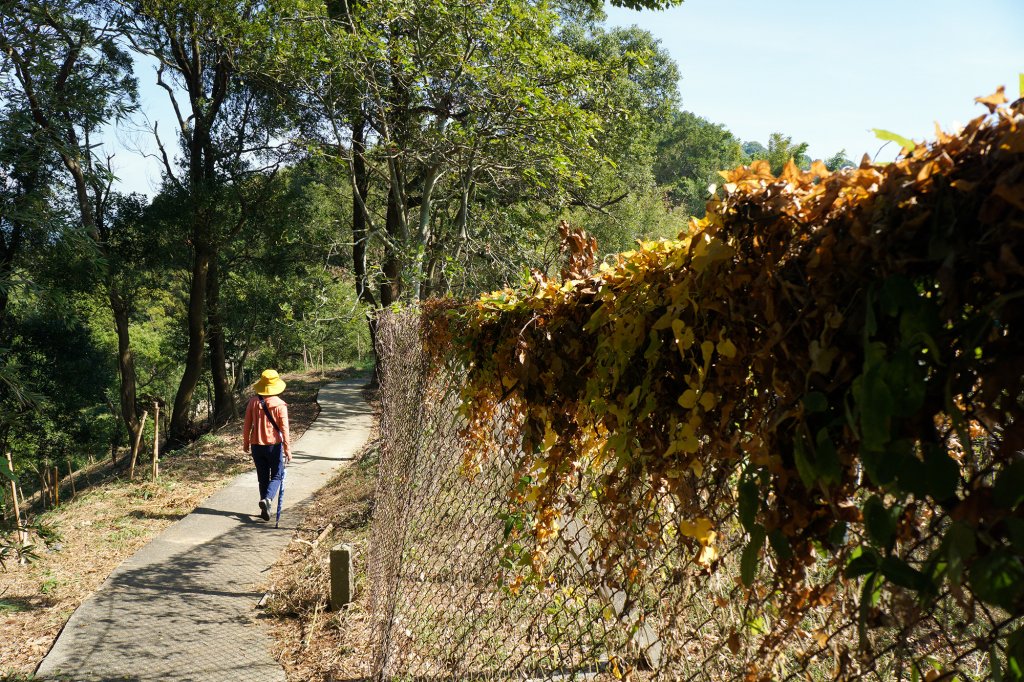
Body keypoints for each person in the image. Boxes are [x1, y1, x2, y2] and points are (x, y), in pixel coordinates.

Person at [242, 369, 292, 521]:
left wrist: (246, 442)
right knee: (277, 475)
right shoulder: (280, 405)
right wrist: (287, 449)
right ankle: (268, 499)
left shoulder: (253, 402)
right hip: (273, 446)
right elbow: (284, 429)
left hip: (256, 446)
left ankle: (265, 507)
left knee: (262, 478)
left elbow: (247, 425)